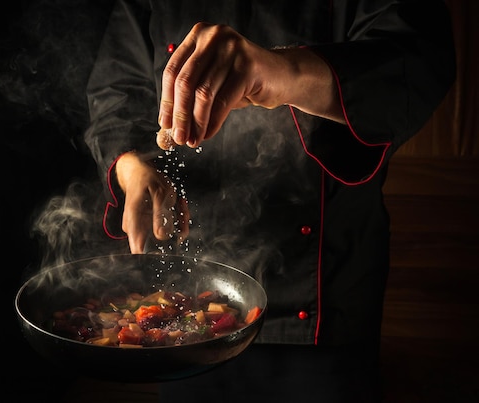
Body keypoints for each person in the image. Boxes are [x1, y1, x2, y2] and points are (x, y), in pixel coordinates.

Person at [83, 0, 456, 401]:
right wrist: (132, 168)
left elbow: (417, 59)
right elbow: (116, 89)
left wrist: (281, 70)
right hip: (186, 307)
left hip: (325, 304)